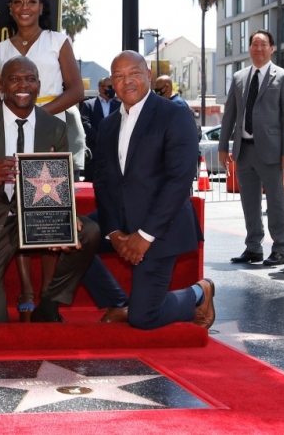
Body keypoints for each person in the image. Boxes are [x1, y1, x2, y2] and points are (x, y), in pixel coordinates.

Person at [0, 56, 100, 324]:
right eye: (14, 79)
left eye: (30, 79)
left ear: (38, 84)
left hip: (33, 221)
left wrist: (62, 220)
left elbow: (57, 184)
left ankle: (48, 306)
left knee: (88, 231)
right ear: (2, 86)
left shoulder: (55, 128)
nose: (22, 85)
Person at [79, 50, 213, 330]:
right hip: (120, 219)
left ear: (149, 77)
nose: (126, 81)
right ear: (111, 83)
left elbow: (179, 181)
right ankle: (118, 303)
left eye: (134, 73)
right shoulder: (107, 125)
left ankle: (200, 292)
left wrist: (144, 236)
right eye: (119, 76)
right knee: (73, 236)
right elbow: (102, 182)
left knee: (144, 318)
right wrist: (113, 231)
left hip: (162, 226)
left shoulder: (175, 115)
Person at [0, 0, 87, 320]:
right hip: (14, 133)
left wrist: (38, 117)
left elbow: (76, 92)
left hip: (54, 130)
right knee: (19, 209)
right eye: (18, 2)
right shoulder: (0, 50)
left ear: (42, 7)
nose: (24, 7)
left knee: (49, 209)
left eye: (31, 1)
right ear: (10, 9)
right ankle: (27, 288)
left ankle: (47, 291)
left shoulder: (58, 41)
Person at [218, 30, 284, 267]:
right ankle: (253, 247)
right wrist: (223, 147)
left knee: (276, 202)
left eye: (263, 44)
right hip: (244, 151)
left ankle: (280, 248)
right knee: (249, 202)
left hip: (272, 152)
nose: (258, 48)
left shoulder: (283, 77)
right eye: (254, 44)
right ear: (249, 48)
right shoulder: (239, 77)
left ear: (272, 48)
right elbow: (230, 114)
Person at [80, 77, 120, 182]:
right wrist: (100, 138)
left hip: (113, 153)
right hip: (94, 152)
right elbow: (86, 124)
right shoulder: (89, 104)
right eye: (110, 87)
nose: (113, 89)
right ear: (101, 88)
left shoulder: (120, 105)